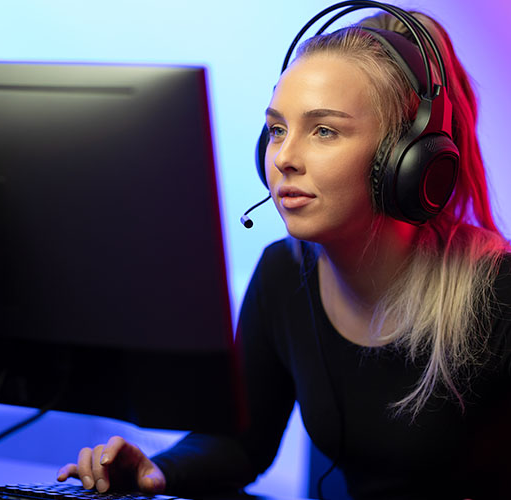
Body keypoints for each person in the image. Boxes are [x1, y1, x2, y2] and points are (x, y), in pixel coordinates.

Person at [57, 6, 511, 500]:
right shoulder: (284, 272)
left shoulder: (498, 293)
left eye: (324, 131)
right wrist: (155, 472)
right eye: (277, 130)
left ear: (407, 160)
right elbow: (241, 445)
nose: (284, 158)